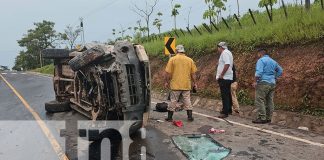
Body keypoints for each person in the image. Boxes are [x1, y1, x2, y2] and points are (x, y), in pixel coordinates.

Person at [164, 45, 198, 122]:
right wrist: (195, 83)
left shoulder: (172, 59)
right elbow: (193, 74)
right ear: (183, 51)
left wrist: (166, 81)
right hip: (186, 84)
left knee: (173, 100)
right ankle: (190, 117)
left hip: (175, 85)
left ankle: (169, 117)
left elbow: (168, 72)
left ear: (176, 51)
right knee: (187, 100)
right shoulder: (190, 60)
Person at [252, 48, 283, 124]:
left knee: (260, 99)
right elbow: (280, 70)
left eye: (258, 54)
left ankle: (262, 118)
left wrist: (255, 81)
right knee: (270, 100)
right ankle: (269, 118)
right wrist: (275, 77)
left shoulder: (261, 60)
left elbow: (259, 72)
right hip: (272, 83)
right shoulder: (273, 61)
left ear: (260, 53)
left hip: (263, 82)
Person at [216, 42, 234, 118]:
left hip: (224, 78)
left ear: (221, 47)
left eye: (218, 47)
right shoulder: (228, 52)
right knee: (228, 94)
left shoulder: (225, 53)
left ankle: (225, 112)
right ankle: (229, 109)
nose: (217, 49)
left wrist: (222, 74)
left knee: (225, 95)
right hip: (228, 77)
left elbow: (227, 64)